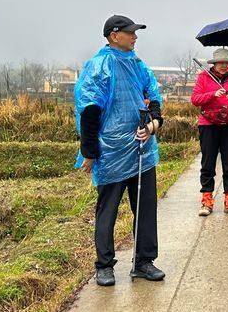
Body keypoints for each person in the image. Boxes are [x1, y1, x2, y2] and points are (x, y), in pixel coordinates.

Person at [75, 15, 165, 287]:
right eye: (130, 32)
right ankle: (104, 265)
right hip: (112, 152)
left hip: (142, 149)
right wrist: (90, 152)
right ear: (114, 35)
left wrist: (153, 123)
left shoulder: (138, 64)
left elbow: (154, 97)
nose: (135, 37)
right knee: (108, 210)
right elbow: (90, 110)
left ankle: (144, 261)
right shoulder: (99, 66)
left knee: (146, 208)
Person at [190, 48, 228, 217]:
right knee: (208, 162)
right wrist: (213, 94)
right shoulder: (204, 77)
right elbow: (195, 99)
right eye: (220, 63)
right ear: (214, 64)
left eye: (226, 63)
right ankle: (207, 199)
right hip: (208, 125)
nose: (223, 66)